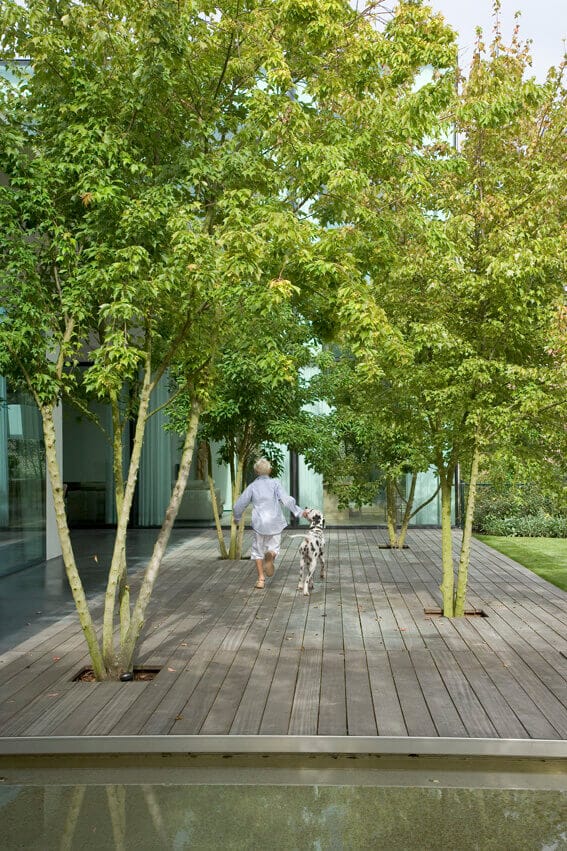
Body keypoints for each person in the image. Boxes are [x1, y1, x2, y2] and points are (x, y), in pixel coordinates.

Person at [233, 458, 308, 589]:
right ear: (270, 470)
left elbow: (240, 503)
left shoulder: (252, 486)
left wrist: (237, 517)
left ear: (256, 472)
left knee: (257, 551)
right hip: (275, 522)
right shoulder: (275, 484)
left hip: (259, 524)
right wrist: (300, 512)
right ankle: (271, 556)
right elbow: (287, 500)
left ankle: (261, 579)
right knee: (274, 548)